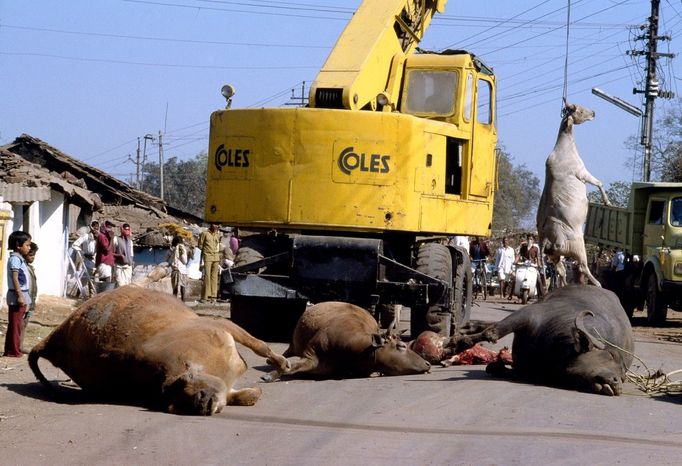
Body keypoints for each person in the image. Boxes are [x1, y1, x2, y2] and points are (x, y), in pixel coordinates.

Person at [4, 231, 32, 358]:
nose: (29, 248)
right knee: (15, 325)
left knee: (16, 324)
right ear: (18, 245)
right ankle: (13, 351)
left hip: (22, 294)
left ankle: (11, 349)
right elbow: (15, 278)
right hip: (17, 295)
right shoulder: (15, 259)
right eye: (27, 245)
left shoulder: (20, 259)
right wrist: (20, 295)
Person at [71, 220, 99, 296]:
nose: (95, 229)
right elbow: (74, 245)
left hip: (97, 263)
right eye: (94, 227)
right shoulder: (86, 236)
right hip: (87, 262)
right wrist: (84, 254)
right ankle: (77, 295)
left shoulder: (100, 238)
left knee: (94, 282)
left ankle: (92, 297)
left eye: (97, 227)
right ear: (91, 227)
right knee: (84, 281)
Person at [20, 242, 38, 354]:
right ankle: (18, 346)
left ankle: (20, 345)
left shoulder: (30, 268)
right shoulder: (23, 267)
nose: (33, 258)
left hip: (31, 300)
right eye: (31, 255)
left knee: (25, 323)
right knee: (21, 324)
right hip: (25, 300)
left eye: (34, 255)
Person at [198, 223, 222, 303]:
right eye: (215, 224)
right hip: (207, 256)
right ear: (211, 224)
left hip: (216, 257)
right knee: (207, 276)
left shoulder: (217, 234)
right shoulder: (204, 233)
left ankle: (213, 296)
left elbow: (218, 245)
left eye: (217, 225)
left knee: (215, 277)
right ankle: (205, 297)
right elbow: (200, 246)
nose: (217, 226)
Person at [166, 235, 188, 301]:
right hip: (177, 271)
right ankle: (176, 305)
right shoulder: (170, 251)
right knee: (177, 289)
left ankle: (181, 305)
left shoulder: (183, 250)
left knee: (181, 289)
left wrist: (180, 253)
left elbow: (184, 261)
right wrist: (173, 254)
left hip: (181, 271)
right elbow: (167, 260)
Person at [113, 223, 134, 287]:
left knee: (127, 286)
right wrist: (119, 255)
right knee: (120, 285)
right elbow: (111, 253)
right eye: (126, 229)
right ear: (122, 229)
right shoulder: (116, 239)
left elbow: (131, 254)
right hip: (119, 267)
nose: (127, 231)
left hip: (128, 267)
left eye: (128, 229)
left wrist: (131, 263)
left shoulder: (130, 241)